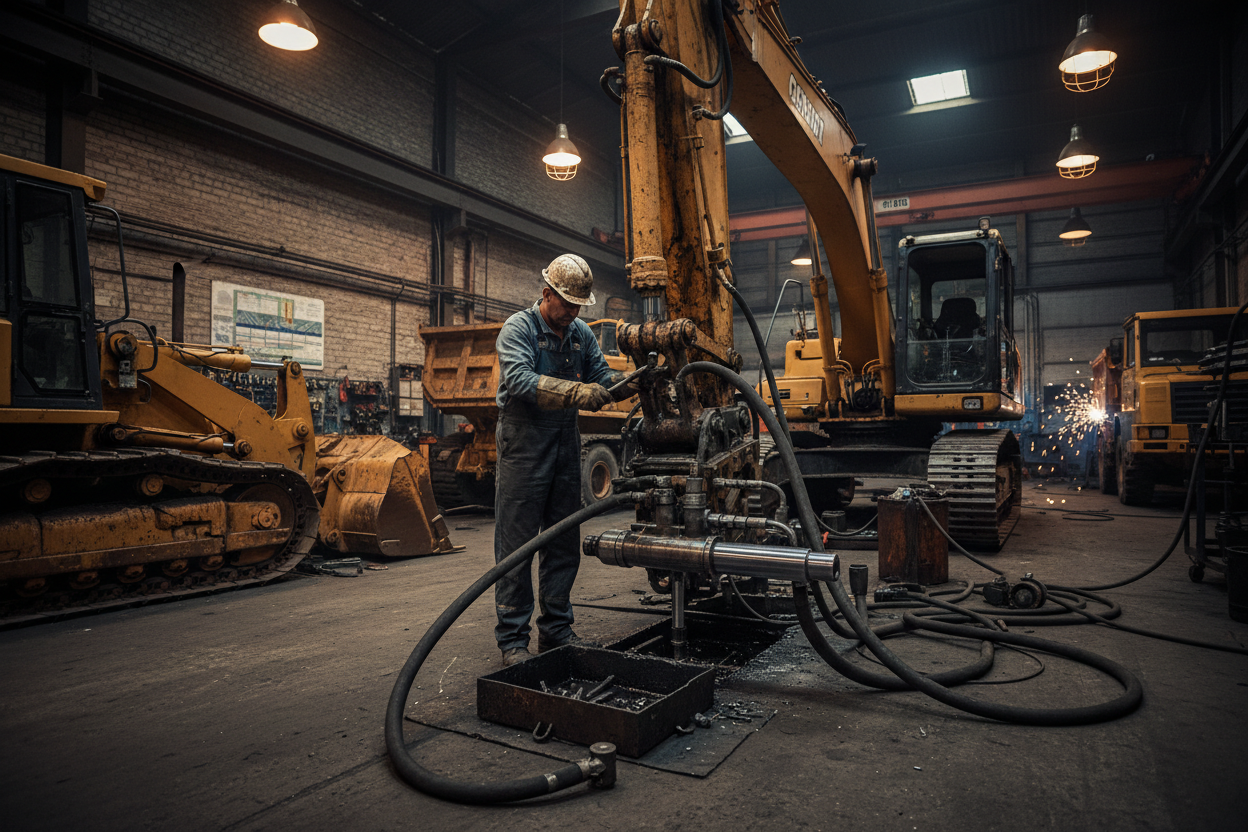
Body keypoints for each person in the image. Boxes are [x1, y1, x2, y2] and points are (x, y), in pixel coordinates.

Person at [493, 253, 615, 666]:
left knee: (563, 542)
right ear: (547, 294)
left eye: (579, 306)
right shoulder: (518, 329)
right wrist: (576, 392)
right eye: (566, 305)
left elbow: (603, 379)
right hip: (524, 444)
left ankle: (556, 632)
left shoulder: (581, 333)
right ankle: (513, 640)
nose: (573, 313)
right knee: (517, 547)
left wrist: (644, 380)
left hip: (565, 444)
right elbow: (520, 380)